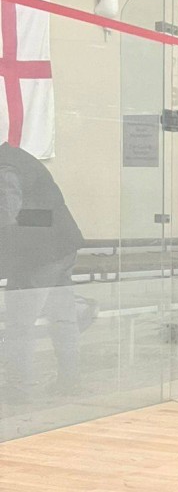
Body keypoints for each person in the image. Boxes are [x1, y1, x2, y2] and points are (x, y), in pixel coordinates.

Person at [0, 139, 84, 403]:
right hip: (61, 245)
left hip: (38, 254)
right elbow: (32, 213)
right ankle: (70, 382)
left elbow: (6, 214)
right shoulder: (17, 157)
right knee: (62, 318)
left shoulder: (5, 167)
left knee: (19, 323)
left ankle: (18, 390)